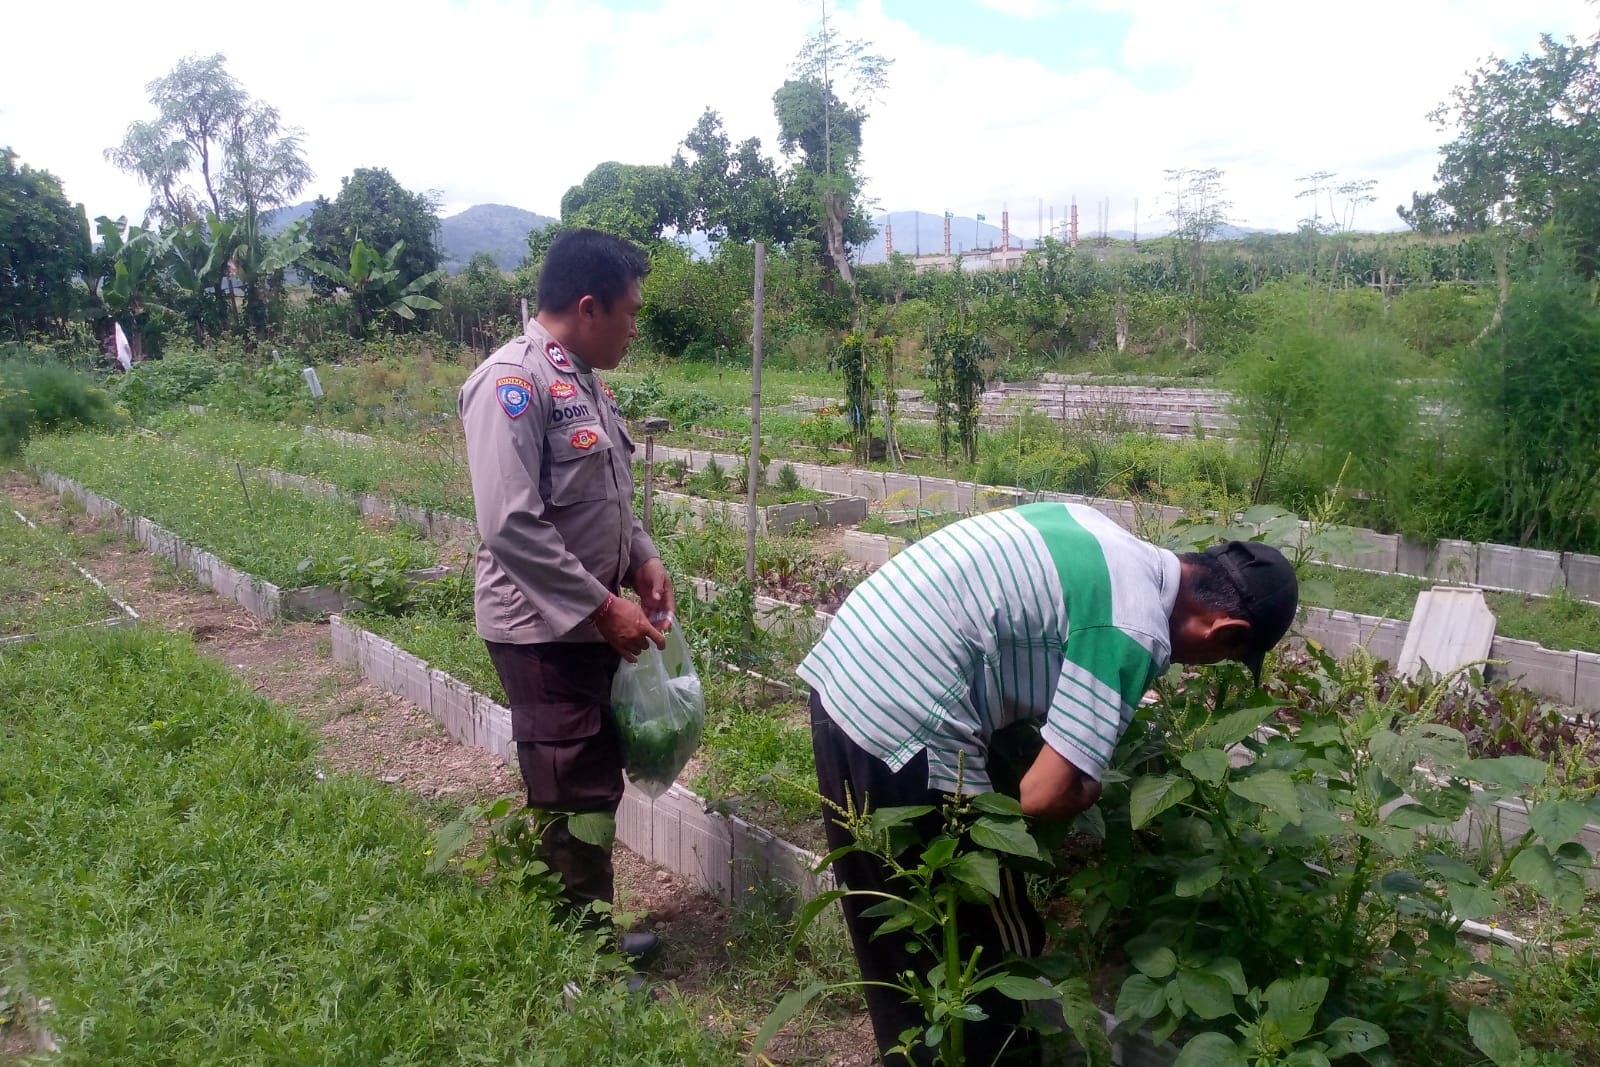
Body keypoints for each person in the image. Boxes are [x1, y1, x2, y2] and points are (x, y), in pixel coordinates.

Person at [798, 502, 1298, 1066]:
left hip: (849, 672)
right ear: (1225, 629)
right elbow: (1044, 794)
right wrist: (1089, 788)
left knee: (896, 938)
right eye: (1222, 659)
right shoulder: (1135, 627)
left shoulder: (1100, 530)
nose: (1201, 666)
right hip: (910, 719)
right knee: (989, 950)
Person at [460, 228, 673, 959]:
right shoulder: (510, 384)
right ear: (588, 307)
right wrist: (598, 604)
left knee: (589, 778)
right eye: (631, 312)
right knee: (570, 783)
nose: (635, 327)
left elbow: (604, 493)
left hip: (583, 619)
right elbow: (510, 522)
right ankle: (578, 963)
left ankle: (588, 934)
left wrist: (641, 557)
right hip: (540, 627)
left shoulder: (579, 380)